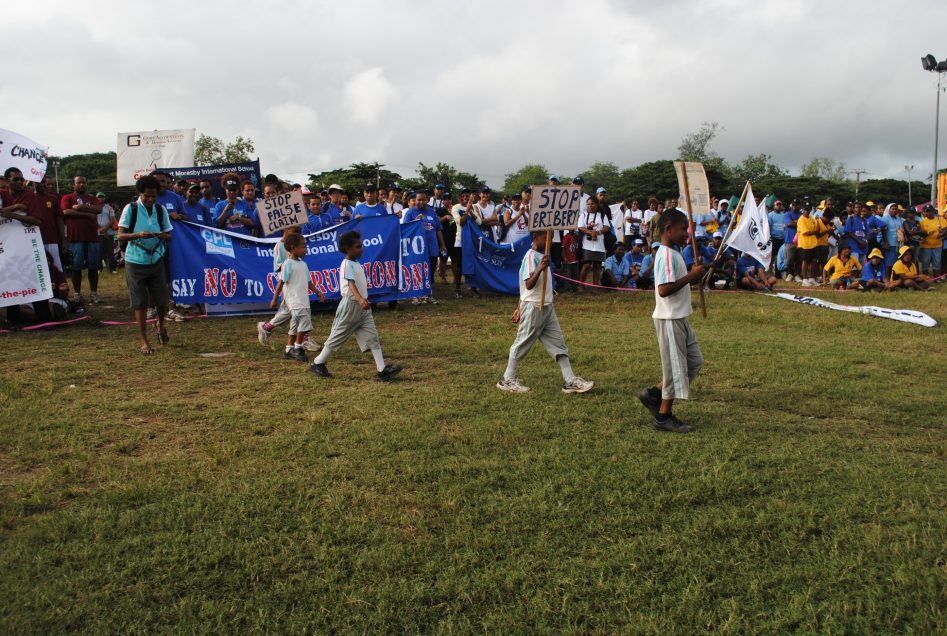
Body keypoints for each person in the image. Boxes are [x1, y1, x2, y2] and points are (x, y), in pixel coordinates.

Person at [636, 209, 710, 434]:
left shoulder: (674, 253)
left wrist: (698, 273)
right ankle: (663, 417)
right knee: (674, 370)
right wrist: (691, 276)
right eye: (682, 230)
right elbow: (664, 289)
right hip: (669, 318)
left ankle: (654, 394)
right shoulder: (666, 254)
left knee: (694, 362)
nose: (687, 235)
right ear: (668, 230)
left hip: (679, 317)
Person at [496, 231, 594, 394]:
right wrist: (541, 268)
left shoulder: (543, 256)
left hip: (547, 307)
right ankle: (507, 379)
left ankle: (569, 380)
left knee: (558, 344)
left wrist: (519, 306)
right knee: (522, 342)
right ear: (536, 238)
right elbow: (527, 285)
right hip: (534, 307)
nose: (549, 240)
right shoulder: (531, 257)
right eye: (545, 237)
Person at [308, 231, 402, 380]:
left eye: (361, 246)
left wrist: (363, 300)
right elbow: (350, 283)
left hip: (363, 307)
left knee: (372, 337)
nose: (361, 249)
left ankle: (382, 369)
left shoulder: (356, 263)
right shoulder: (346, 264)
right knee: (338, 335)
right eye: (358, 247)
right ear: (348, 248)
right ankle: (318, 362)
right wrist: (359, 299)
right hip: (352, 305)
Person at [116, 175, 173, 354]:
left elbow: (169, 233)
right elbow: (121, 235)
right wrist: (138, 235)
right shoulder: (130, 209)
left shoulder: (160, 209)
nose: (150, 199)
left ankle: (160, 325)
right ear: (140, 193)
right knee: (140, 303)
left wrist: (163, 235)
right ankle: (144, 340)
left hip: (156, 258)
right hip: (135, 261)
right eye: (146, 196)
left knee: (162, 301)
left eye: (153, 196)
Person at [0, 173, 50, 325]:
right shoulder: (2, 195)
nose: (20, 182)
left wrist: (13, 215)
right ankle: (14, 320)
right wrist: (16, 207)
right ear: (8, 181)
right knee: (9, 281)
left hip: (26, 247)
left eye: (21, 179)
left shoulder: (29, 196)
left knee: (32, 280)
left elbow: (36, 220)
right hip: (7, 248)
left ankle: (44, 318)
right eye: (16, 179)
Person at [268, 233, 326, 362]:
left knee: (294, 326)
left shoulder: (303, 264)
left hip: (303, 300)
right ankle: (298, 348)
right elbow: (281, 282)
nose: (306, 249)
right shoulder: (287, 264)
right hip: (295, 301)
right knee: (304, 323)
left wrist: (318, 292)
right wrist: (274, 298)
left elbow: (308, 282)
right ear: (293, 248)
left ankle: (289, 349)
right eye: (303, 247)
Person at [60, 175, 103, 304]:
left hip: (92, 237)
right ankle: (77, 294)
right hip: (75, 238)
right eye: (79, 182)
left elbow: (98, 209)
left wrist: (79, 207)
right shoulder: (67, 198)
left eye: (84, 182)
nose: (82, 184)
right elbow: (66, 212)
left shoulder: (93, 198)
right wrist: (87, 214)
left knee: (93, 267)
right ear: (73, 185)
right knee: (76, 267)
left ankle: (94, 293)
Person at [403, 189, 448, 304]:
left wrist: (442, 245)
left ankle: (428, 294)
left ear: (427, 200)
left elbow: (438, 230)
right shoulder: (410, 213)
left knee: (429, 272)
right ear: (415, 200)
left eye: (424, 200)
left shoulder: (432, 212)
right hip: (416, 250)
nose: (421, 202)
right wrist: (414, 222)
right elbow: (405, 230)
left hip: (432, 248)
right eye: (419, 200)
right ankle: (415, 296)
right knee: (417, 271)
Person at [33, 176, 66, 271]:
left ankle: (60, 285)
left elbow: (60, 219)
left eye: (43, 182)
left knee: (57, 267)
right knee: (39, 269)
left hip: (52, 239)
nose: (41, 184)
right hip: (34, 240)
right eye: (38, 182)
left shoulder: (54, 199)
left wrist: (63, 240)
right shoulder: (28, 197)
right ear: (33, 183)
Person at [577, 196, 608, 287]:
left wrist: (598, 232)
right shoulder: (583, 215)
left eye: (592, 204)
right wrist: (590, 232)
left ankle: (595, 286)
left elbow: (607, 227)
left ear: (597, 205)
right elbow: (580, 227)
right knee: (586, 265)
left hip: (599, 244)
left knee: (597, 266)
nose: (590, 206)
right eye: (588, 204)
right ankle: (581, 285)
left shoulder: (602, 215)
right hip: (587, 244)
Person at [917, 204, 947, 275]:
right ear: (925, 212)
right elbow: (920, 232)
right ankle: (926, 277)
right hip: (926, 246)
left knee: (937, 262)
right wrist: (926, 233)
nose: (929, 213)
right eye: (927, 211)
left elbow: (946, 228)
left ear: (933, 211)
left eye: (930, 211)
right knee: (925, 262)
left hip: (937, 245)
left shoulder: (940, 219)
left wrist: (941, 234)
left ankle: (936, 278)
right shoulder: (922, 222)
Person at [796, 203, 820, 286]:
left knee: (814, 261)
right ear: (802, 210)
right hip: (805, 244)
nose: (806, 211)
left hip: (813, 243)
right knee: (805, 261)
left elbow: (817, 230)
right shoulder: (801, 219)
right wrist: (814, 232)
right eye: (805, 209)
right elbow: (806, 233)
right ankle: (805, 279)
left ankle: (812, 278)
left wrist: (817, 221)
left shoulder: (811, 218)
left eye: (808, 209)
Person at [96, 191, 117, 273]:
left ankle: (112, 268)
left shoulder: (109, 208)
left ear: (104, 198)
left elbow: (112, 220)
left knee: (110, 251)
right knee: (99, 251)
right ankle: (99, 268)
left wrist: (105, 229)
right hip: (98, 232)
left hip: (109, 233)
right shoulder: (94, 207)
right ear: (96, 198)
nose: (100, 198)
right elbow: (93, 220)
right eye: (99, 197)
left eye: (102, 197)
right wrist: (102, 230)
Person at [783, 199, 802, 281]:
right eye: (793, 204)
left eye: (796, 204)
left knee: (799, 259)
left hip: (800, 240)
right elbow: (789, 224)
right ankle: (790, 274)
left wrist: (795, 222)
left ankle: (797, 275)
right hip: (789, 240)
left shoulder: (802, 214)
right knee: (789, 259)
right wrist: (798, 222)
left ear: (799, 205)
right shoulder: (787, 214)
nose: (795, 206)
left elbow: (802, 224)